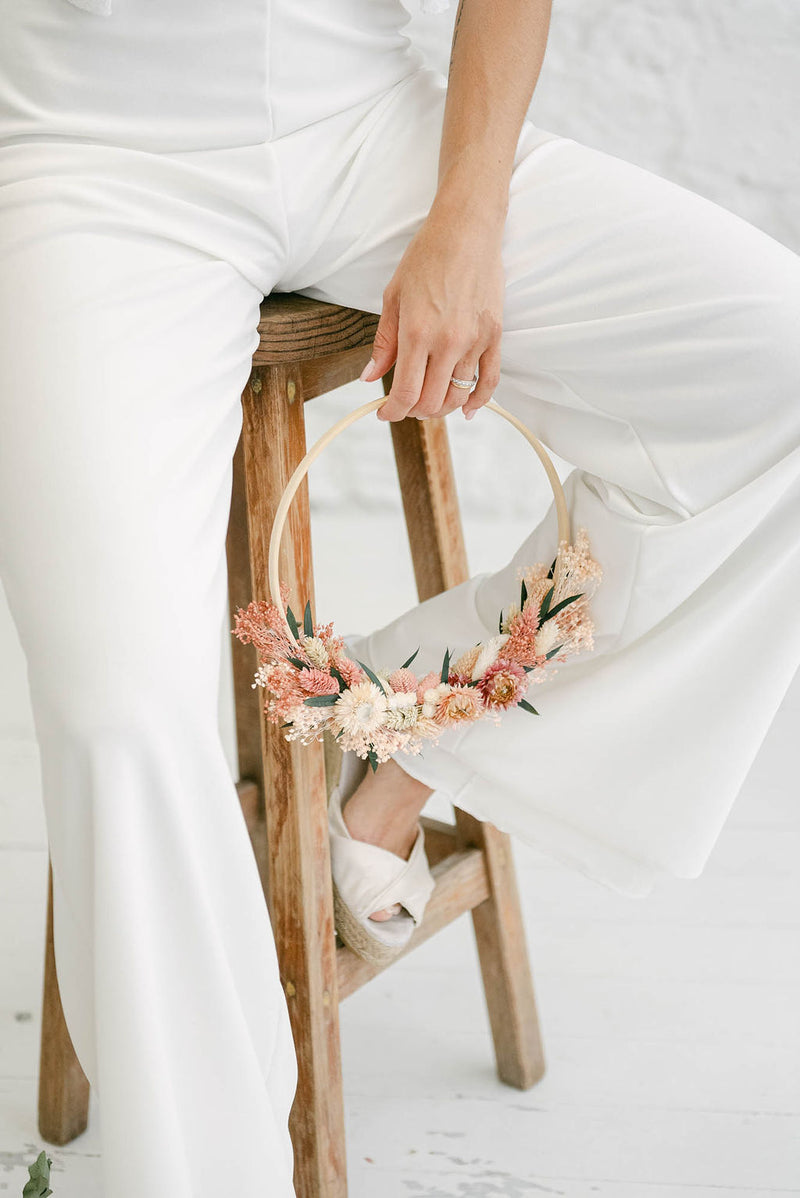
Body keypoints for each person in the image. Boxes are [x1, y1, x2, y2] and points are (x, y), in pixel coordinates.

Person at [1, 0, 798, 1194]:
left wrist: (467, 219)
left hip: (365, 118)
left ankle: (395, 737)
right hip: (88, 148)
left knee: (772, 368)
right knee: (115, 713)